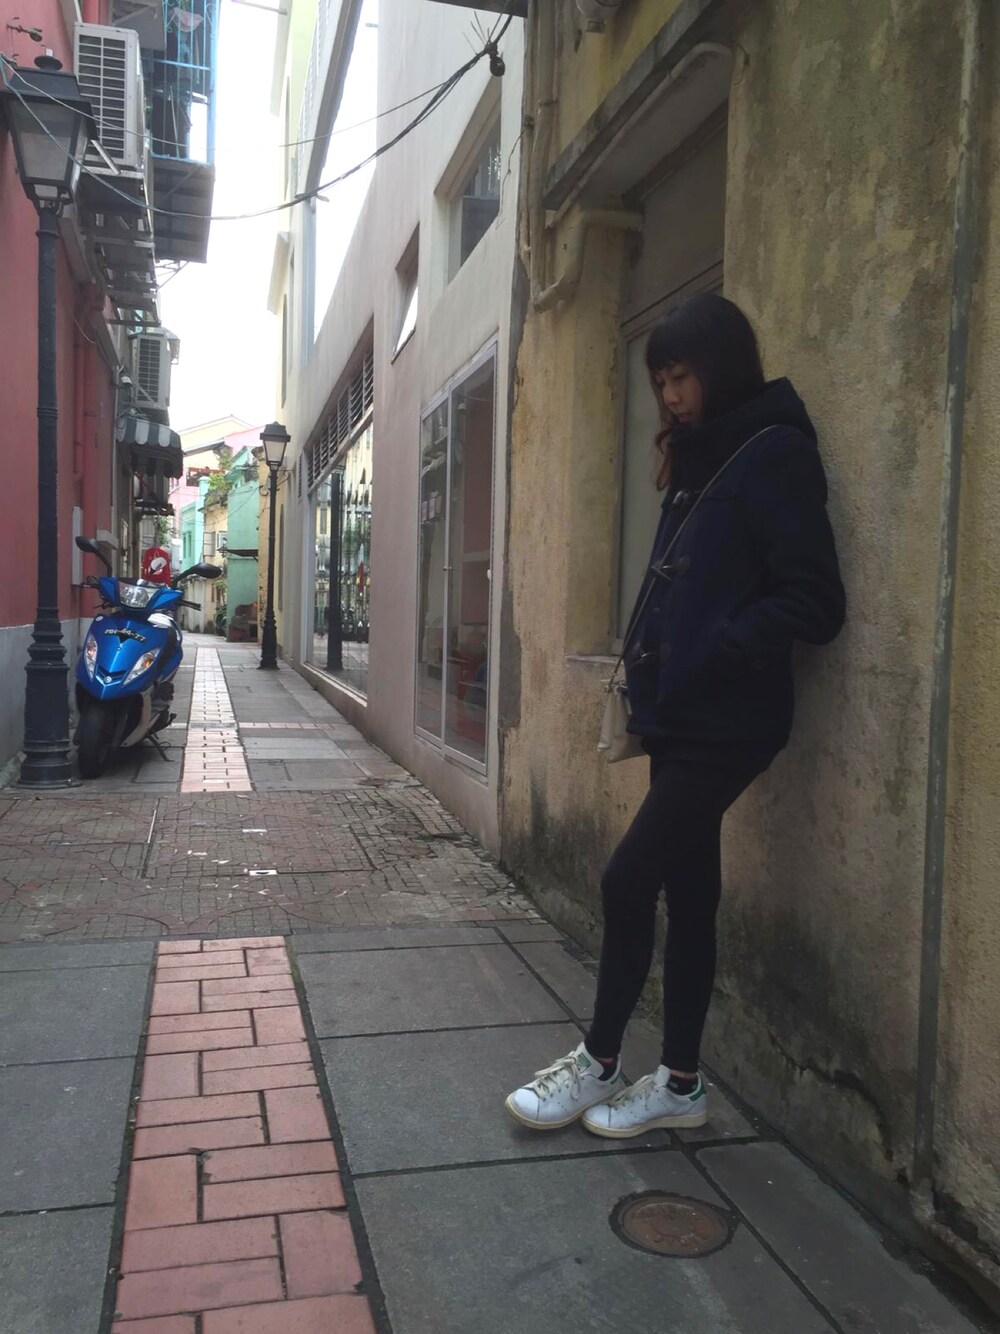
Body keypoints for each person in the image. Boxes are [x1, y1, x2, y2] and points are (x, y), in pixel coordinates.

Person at [505, 292, 845, 1137]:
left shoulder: (773, 453)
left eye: (681, 377)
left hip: (731, 720)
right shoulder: (698, 458)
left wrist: (725, 645)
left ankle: (599, 1062)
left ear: (720, 367)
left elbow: (817, 600)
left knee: (627, 878)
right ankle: (682, 1085)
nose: (669, 396)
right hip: (680, 712)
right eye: (659, 381)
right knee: (691, 895)